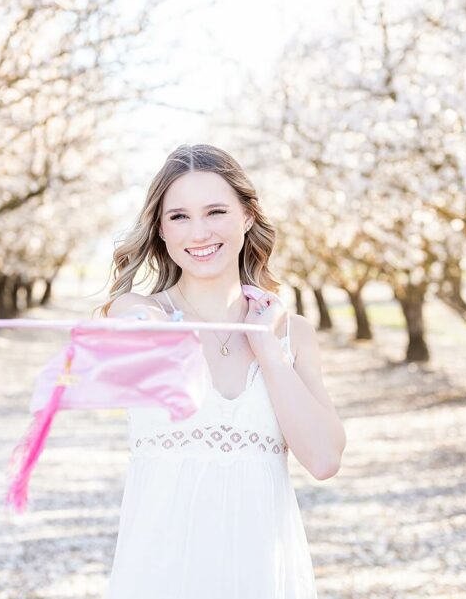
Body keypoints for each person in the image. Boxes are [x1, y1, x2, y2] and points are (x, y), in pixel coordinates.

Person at [97, 143, 346, 598]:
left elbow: (325, 459)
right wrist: (147, 323)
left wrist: (269, 351)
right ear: (160, 230)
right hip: (161, 573)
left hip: (263, 577)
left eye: (215, 211)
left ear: (247, 216)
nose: (199, 232)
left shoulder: (294, 334)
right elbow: (129, 319)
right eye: (179, 217)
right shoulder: (136, 315)